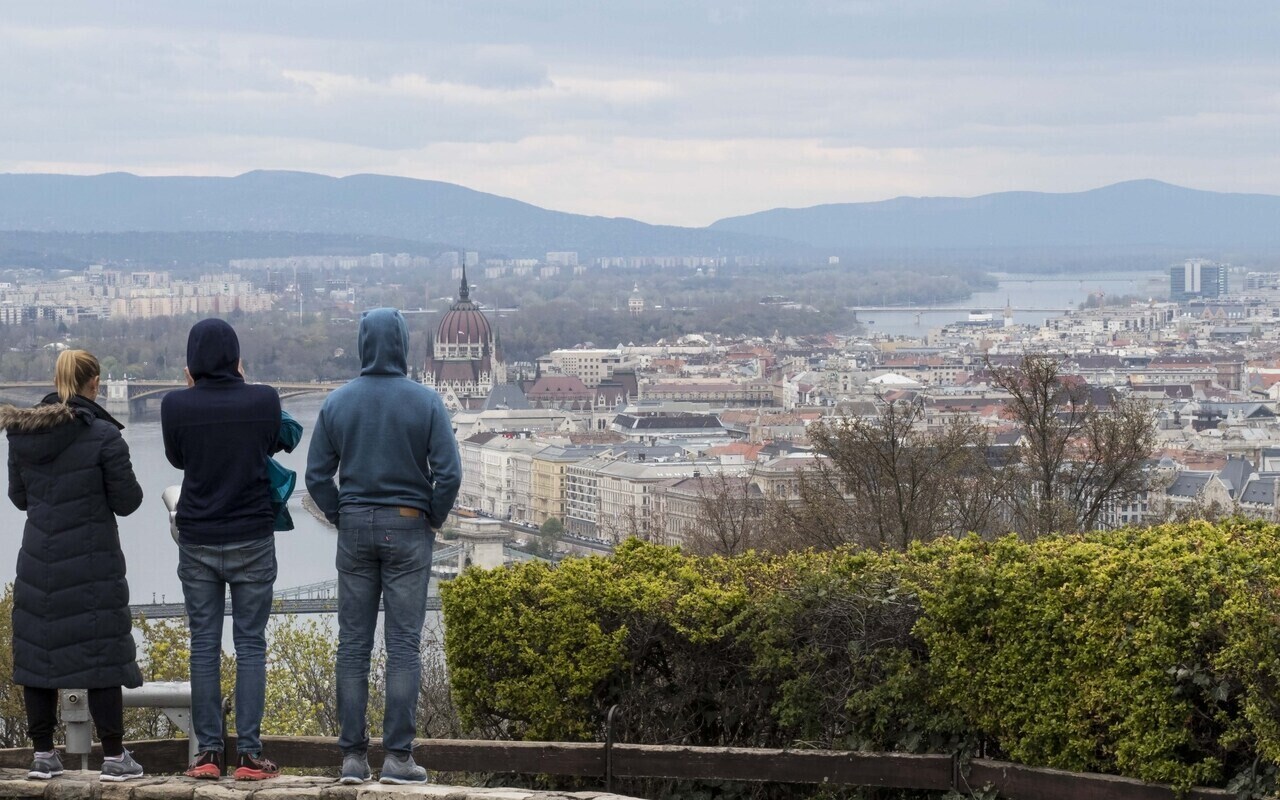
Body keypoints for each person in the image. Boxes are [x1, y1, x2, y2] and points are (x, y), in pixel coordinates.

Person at [305, 308, 461, 785]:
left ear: (362, 345)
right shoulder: (427, 402)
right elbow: (450, 474)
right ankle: (397, 758)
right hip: (409, 527)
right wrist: (432, 516)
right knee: (403, 646)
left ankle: (353, 758)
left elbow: (316, 476)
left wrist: (340, 514)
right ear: (403, 345)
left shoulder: (337, 403)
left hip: (354, 527)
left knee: (352, 645)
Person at [1, 350, 145, 782]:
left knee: (39, 655)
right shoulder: (103, 435)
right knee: (102, 652)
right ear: (94, 384)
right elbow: (128, 501)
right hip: (93, 561)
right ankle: (114, 757)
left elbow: (19, 497)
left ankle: (43, 754)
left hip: (39, 561)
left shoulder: (22, 435)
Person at [161, 319, 284, 781]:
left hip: (198, 538)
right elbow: (270, 444)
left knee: (203, 646)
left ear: (191, 362)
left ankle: (208, 753)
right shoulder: (265, 399)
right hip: (252, 536)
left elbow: (178, 458)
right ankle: (249, 755)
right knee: (251, 645)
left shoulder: (175, 405)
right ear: (236, 358)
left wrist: (193, 390)